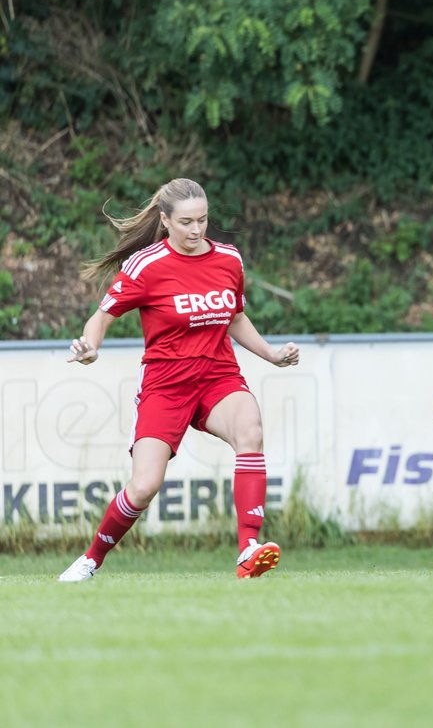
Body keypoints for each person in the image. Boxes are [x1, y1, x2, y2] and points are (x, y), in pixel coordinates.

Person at [58, 178, 300, 582]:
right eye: (186, 222)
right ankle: (91, 559)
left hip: (218, 376)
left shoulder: (228, 259)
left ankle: (248, 549)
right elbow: (102, 316)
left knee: (250, 431)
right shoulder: (146, 266)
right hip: (165, 387)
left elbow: (236, 318)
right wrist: (91, 346)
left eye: (203, 220)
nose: (196, 230)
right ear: (165, 220)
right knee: (144, 487)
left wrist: (271, 354)